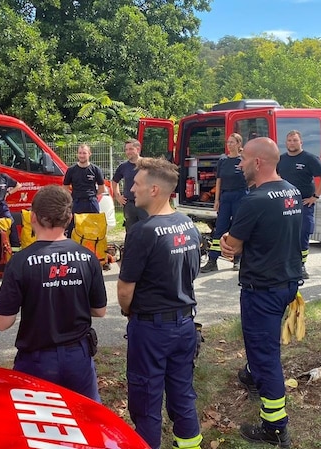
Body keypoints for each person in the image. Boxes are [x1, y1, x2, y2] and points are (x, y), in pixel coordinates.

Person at [219, 138, 301, 448]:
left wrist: (230, 240)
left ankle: (275, 426)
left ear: (257, 163)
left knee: (265, 355)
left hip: (262, 289)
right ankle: (253, 376)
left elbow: (232, 246)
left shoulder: (254, 200)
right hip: (286, 283)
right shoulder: (291, 190)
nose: (238, 165)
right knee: (263, 350)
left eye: (242, 160)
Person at [117, 157, 203, 449]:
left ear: (155, 190)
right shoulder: (188, 224)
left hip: (152, 329)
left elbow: (125, 290)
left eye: (137, 184)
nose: (131, 190)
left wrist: (130, 313)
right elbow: (192, 272)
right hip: (185, 325)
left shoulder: (142, 232)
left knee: (146, 402)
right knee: (182, 394)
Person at [0, 185, 106, 400]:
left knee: (37, 425)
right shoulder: (88, 257)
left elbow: (2, 322)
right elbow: (99, 310)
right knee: (86, 421)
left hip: (37, 360)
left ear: (33, 217)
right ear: (70, 218)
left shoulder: (20, 261)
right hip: (78, 357)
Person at [276, 130, 321, 279]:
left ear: (301, 142)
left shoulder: (309, 158)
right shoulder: (281, 159)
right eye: (289, 140)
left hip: (305, 202)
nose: (292, 143)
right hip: (286, 202)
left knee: (303, 233)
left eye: (295, 140)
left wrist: (315, 196)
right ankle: (285, 264)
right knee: (285, 234)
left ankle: (301, 265)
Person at [201, 133, 247, 273]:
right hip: (226, 197)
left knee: (237, 228)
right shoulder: (223, 160)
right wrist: (216, 200)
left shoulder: (243, 159)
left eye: (232, 142)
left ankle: (237, 260)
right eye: (228, 142)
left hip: (240, 196)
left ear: (239, 144)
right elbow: (219, 180)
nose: (229, 144)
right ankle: (213, 260)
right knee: (220, 228)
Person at [63, 144, 105, 234]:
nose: (82, 155)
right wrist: (73, 196)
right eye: (80, 153)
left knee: (94, 227)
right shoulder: (71, 170)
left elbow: (102, 189)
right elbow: (65, 187)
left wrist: (92, 195)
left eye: (84, 153)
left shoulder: (96, 170)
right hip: (76, 202)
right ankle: (73, 247)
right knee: (73, 228)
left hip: (91, 202)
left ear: (89, 154)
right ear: (77, 154)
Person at [112, 139, 147, 232]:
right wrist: (118, 197)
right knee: (131, 231)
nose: (128, 152)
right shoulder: (123, 167)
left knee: (146, 230)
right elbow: (114, 181)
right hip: (129, 204)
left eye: (131, 149)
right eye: (126, 149)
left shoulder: (147, 164)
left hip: (145, 204)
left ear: (138, 149)